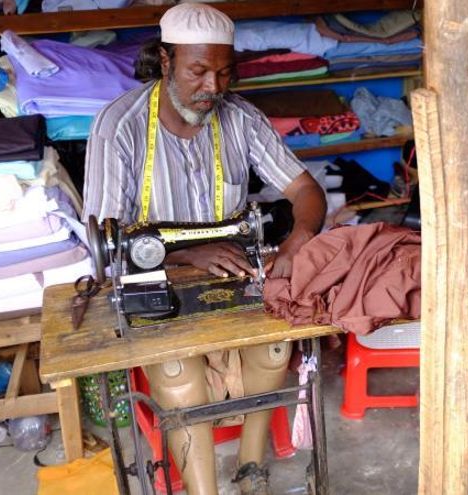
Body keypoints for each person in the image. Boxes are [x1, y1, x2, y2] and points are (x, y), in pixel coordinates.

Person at [82, 4, 326, 494]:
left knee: (276, 345)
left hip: (233, 271)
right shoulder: (120, 126)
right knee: (178, 369)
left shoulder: (240, 118)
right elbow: (108, 238)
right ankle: (202, 490)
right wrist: (184, 254)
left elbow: (306, 193)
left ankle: (252, 468)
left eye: (223, 72)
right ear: (166, 61)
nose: (213, 87)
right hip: (159, 279)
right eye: (198, 71)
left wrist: (296, 242)